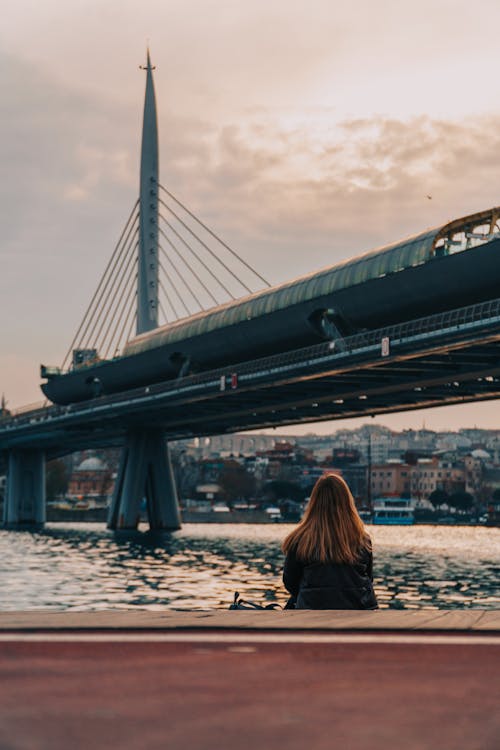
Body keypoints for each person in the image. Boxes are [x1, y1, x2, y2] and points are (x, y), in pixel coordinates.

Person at [282, 473, 378, 609]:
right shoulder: (362, 540)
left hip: (311, 613)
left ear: (314, 503)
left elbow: (290, 583)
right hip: (358, 613)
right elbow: (368, 579)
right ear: (347, 503)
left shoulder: (299, 540)